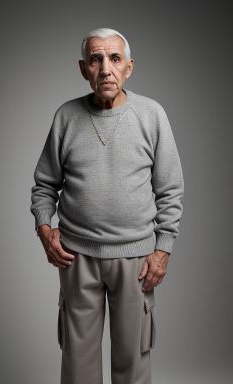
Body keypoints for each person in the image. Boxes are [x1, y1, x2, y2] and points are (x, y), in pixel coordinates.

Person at [30, 27, 184, 384]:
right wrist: (44, 229)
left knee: (133, 363)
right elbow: (44, 186)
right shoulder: (66, 117)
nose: (106, 69)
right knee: (78, 363)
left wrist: (163, 250)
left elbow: (171, 190)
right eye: (96, 60)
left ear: (129, 67)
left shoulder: (152, 115)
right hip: (76, 256)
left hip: (137, 261)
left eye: (114, 59)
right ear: (84, 69)